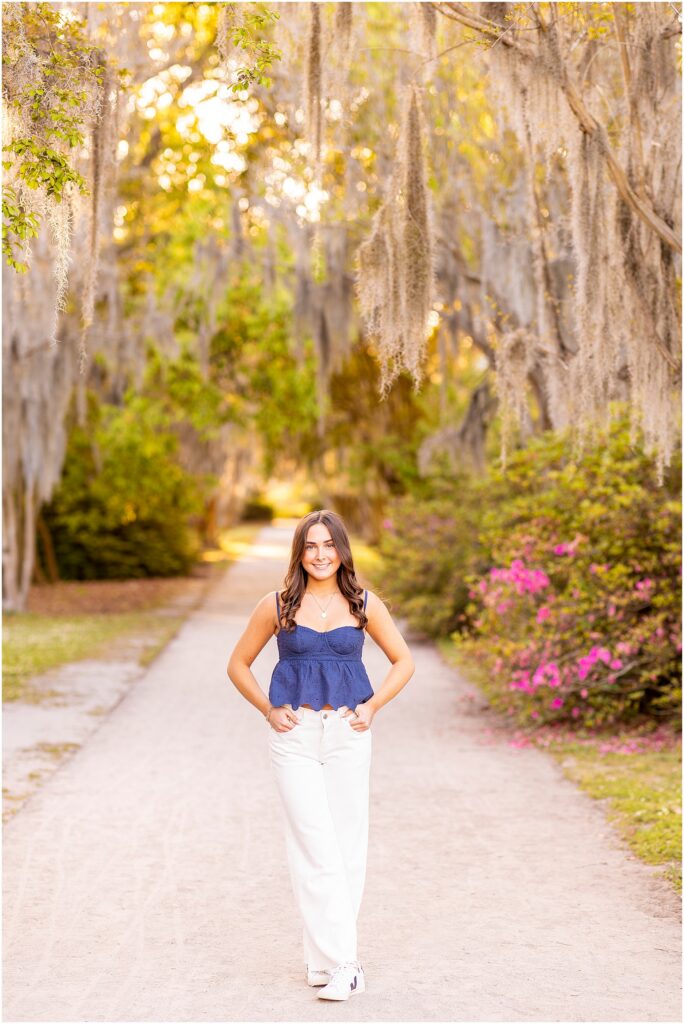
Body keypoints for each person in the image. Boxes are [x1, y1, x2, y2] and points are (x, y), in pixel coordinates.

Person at [227, 509, 414, 1001]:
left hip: (348, 734)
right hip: (296, 738)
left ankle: (323, 960)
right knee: (312, 844)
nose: (320, 554)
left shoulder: (364, 604)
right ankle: (347, 965)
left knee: (347, 847)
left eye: (328, 544)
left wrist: (373, 707)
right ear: (299, 553)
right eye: (310, 546)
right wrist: (268, 709)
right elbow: (237, 664)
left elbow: (404, 661)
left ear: (342, 550)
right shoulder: (278, 604)